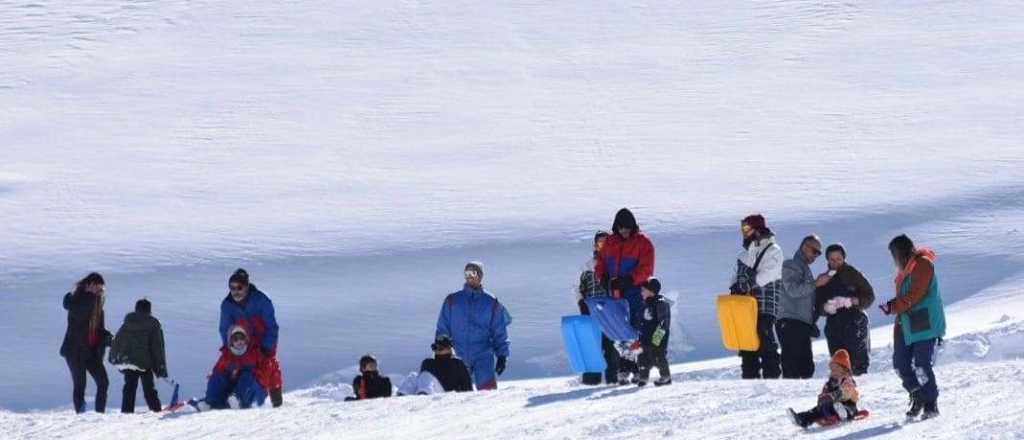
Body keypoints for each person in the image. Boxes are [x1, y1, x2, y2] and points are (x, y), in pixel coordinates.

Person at [880, 234, 945, 420]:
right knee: (900, 365)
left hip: (924, 323)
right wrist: (892, 306)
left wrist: (893, 306)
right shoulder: (903, 272)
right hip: (906, 324)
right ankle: (917, 395)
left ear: (903, 251)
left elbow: (915, 294)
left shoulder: (923, 264)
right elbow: (906, 298)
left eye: (894, 254)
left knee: (921, 365)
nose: (894, 259)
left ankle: (930, 403)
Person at [594, 208, 655, 384]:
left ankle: (638, 367)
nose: (624, 231)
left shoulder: (643, 243)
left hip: (636, 292)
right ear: (616, 228)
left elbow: (647, 268)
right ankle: (623, 367)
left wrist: (630, 280)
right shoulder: (610, 243)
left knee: (636, 328)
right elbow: (601, 264)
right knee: (619, 330)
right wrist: (604, 278)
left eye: (627, 228)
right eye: (621, 228)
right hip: (616, 294)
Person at [436, 261, 511, 390]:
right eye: (466, 273)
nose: (469, 276)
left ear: (480, 276)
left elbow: (499, 330)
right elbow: (443, 327)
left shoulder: (491, 302)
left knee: (487, 394)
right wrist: (441, 347)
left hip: (483, 355)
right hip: (458, 355)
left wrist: (502, 355)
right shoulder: (452, 300)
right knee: (458, 396)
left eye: (473, 272)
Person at [729, 214, 783, 379]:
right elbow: (735, 277)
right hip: (746, 306)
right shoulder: (743, 255)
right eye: (742, 229)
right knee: (747, 341)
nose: (744, 233)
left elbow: (769, 274)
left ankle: (772, 376)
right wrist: (734, 286)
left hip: (765, 301)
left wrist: (749, 282)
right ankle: (749, 376)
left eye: (747, 229)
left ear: (758, 230)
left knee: (764, 335)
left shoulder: (773, 250)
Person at [220, 268, 283, 407]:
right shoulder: (227, 305)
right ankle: (216, 399)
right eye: (232, 287)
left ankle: (256, 398)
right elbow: (225, 328)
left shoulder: (261, 301)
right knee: (224, 369)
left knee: (265, 368)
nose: (235, 291)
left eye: (239, 287)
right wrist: (229, 347)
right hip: (239, 344)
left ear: (247, 287)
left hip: (262, 345)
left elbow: (272, 327)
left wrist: (267, 347)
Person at [815, 244, 875, 375]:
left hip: (855, 322)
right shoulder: (824, 278)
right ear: (827, 260)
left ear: (844, 258)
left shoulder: (853, 274)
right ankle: (841, 391)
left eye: (838, 258)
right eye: (832, 259)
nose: (835, 262)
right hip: (834, 326)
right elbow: (817, 305)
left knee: (858, 365)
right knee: (839, 364)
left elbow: (870, 296)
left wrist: (854, 301)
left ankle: (858, 389)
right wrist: (826, 308)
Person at [60, 272, 111, 414]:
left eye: (102, 289)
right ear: (89, 285)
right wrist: (90, 296)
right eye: (98, 288)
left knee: (103, 381)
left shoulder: (97, 305)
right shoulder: (75, 301)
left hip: (91, 352)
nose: (100, 292)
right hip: (74, 351)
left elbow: (99, 329)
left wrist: (107, 337)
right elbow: (80, 316)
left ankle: (100, 414)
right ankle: (80, 415)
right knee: (80, 385)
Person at [778, 235, 827, 379]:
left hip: (800, 324)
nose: (816, 256)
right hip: (790, 323)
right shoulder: (791, 265)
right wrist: (816, 284)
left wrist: (810, 322)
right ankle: (790, 398)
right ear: (805, 247)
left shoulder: (804, 269)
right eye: (815, 251)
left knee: (806, 368)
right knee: (793, 368)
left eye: (819, 253)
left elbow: (805, 300)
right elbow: (792, 290)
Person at [108, 299, 168, 413]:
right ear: (149, 310)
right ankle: (156, 410)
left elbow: (117, 341)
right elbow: (157, 347)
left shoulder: (127, 323)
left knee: (129, 387)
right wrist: (160, 368)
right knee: (149, 389)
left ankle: (126, 412)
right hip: (145, 363)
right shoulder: (153, 324)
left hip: (129, 362)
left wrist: (114, 358)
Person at [577, 230, 619, 385]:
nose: (603, 246)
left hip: (610, 311)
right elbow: (578, 287)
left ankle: (612, 378)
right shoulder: (588, 267)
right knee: (591, 344)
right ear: (595, 245)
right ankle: (591, 380)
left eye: (606, 243)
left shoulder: (614, 264)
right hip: (591, 310)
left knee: (610, 345)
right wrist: (581, 302)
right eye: (600, 243)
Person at [194, 325, 269, 410]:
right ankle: (212, 402)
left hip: (254, 392)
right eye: (235, 339)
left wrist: (249, 373)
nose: (239, 341)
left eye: (241, 338)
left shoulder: (254, 354)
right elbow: (217, 372)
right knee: (218, 376)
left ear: (246, 340)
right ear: (231, 342)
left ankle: (239, 400)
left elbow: (264, 374)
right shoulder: (227, 356)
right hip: (232, 393)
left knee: (247, 375)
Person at [788, 349, 861, 428]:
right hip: (830, 405)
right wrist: (822, 398)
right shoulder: (831, 382)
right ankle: (802, 419)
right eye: (832, 369)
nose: (833, 372)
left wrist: (832, 396)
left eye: (836, 369)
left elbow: (846, 393)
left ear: (844, 370)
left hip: (846, 403)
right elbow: (825, 392)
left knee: (847, 407)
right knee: (816, 411)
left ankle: (844, 414)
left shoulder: (847, 380)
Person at [636, 278, 672, 387]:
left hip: (658, 338)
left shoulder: (661, 303)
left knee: (658, 356)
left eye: (643, 290)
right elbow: (642, 322)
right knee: (642, 357)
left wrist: (656, 339)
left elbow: (663, 322)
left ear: (651, 291)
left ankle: (665, 377)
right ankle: (643, 377)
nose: (641, 292)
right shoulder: (645, 304)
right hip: (645, 338)